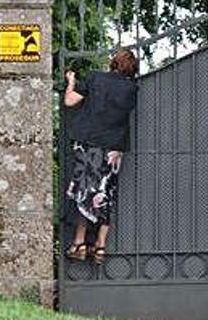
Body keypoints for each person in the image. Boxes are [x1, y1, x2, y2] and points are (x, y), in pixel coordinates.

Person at [63, 48, 138, 265]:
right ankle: (101, 246)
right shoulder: (131, 88)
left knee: (85, 191)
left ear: (114, 62)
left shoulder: (96, 78)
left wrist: (71, 81)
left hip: (90, 143)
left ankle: (79, 243)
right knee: (106, 193)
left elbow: (69, 101)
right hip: (114, 149)